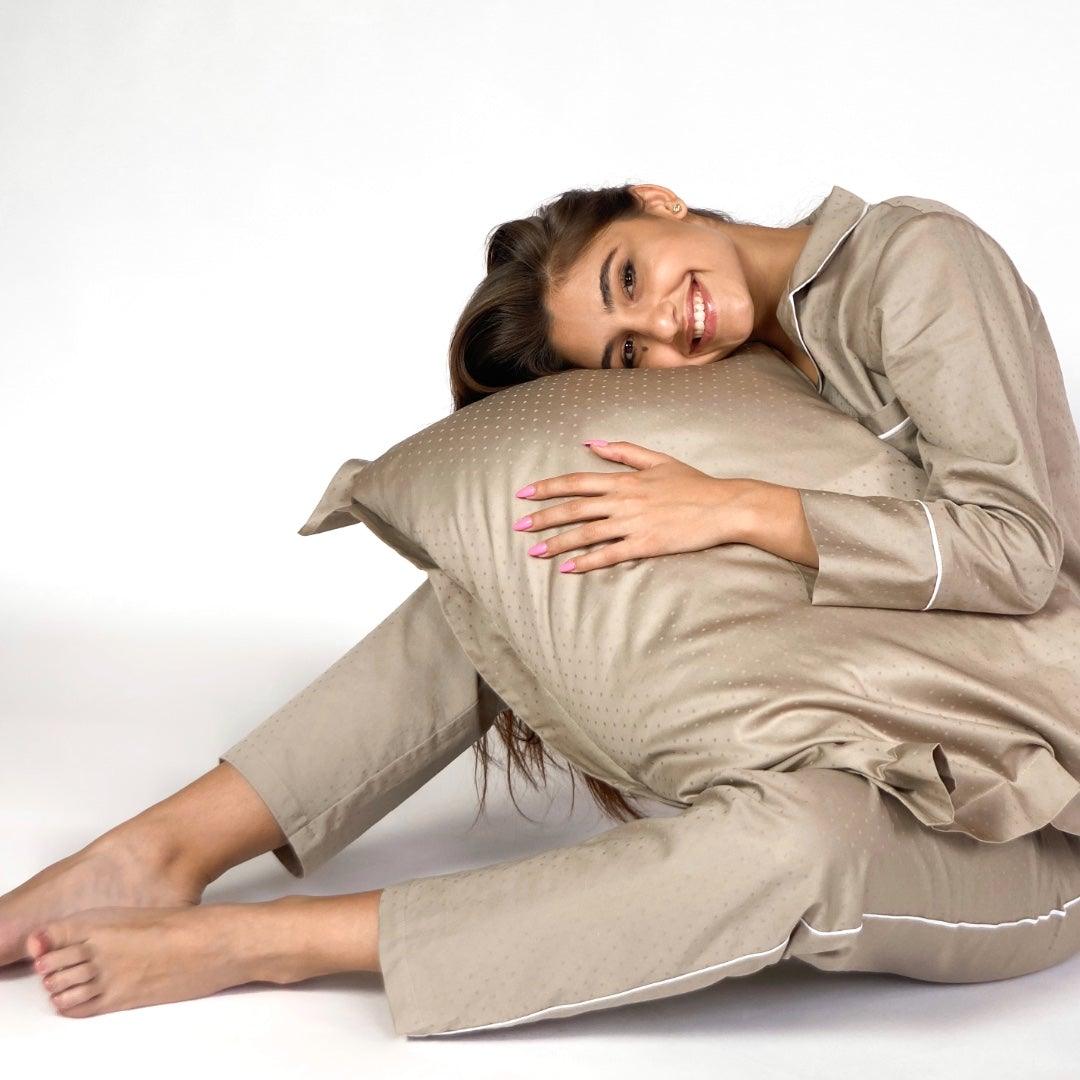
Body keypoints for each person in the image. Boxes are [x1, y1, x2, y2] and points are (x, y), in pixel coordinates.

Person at [3, 183, 1079, 1038]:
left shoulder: (909, 259)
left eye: (630, 276)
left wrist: (734, 506)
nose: (665, 327)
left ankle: (281, 943)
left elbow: (1019, 550)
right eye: (628, 354)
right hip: (856, 717)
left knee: (801, 846)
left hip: (1029, 811)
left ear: (658, 201)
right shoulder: (742, 362)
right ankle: (160, 851)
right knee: (540, 544)